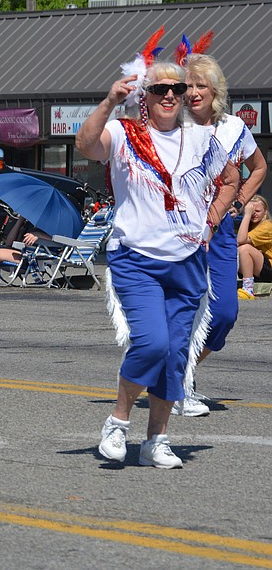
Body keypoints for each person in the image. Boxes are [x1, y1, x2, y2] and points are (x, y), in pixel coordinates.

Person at [77, 30, 237, 469]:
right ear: (144, 96)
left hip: (187, 261)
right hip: (137, 259)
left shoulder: (203, 138)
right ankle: (117, 420)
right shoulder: (124, 133)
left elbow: (231, 178)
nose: (170, 94)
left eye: (177, 88)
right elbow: (85, 145)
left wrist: (213, 217)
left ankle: (156, 439)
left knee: (176, 354)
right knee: (151, 343)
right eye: (160, 88)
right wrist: (110, 100)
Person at [176, 47, 267, 416]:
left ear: (216, 91)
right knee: (183, 308)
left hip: (223, 233)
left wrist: (239, 200)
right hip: (181, 230)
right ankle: (178, 382)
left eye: (202, 85)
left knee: (224, 312)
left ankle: (185, 368)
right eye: (189, 85)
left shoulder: (233, 128)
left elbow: (258, 167)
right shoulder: (173, 126)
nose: (194, 92)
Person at [237, 196, 272, 297]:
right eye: (252, 211)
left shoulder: (267, 226)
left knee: (244, 249)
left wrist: (247, 215)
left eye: (257, 211)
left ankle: (248, 289)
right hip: (260, 268)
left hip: (269, 268)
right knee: (233, 250)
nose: (254, 214)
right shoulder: (250, 225)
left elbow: (240, 240)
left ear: (265, 212)